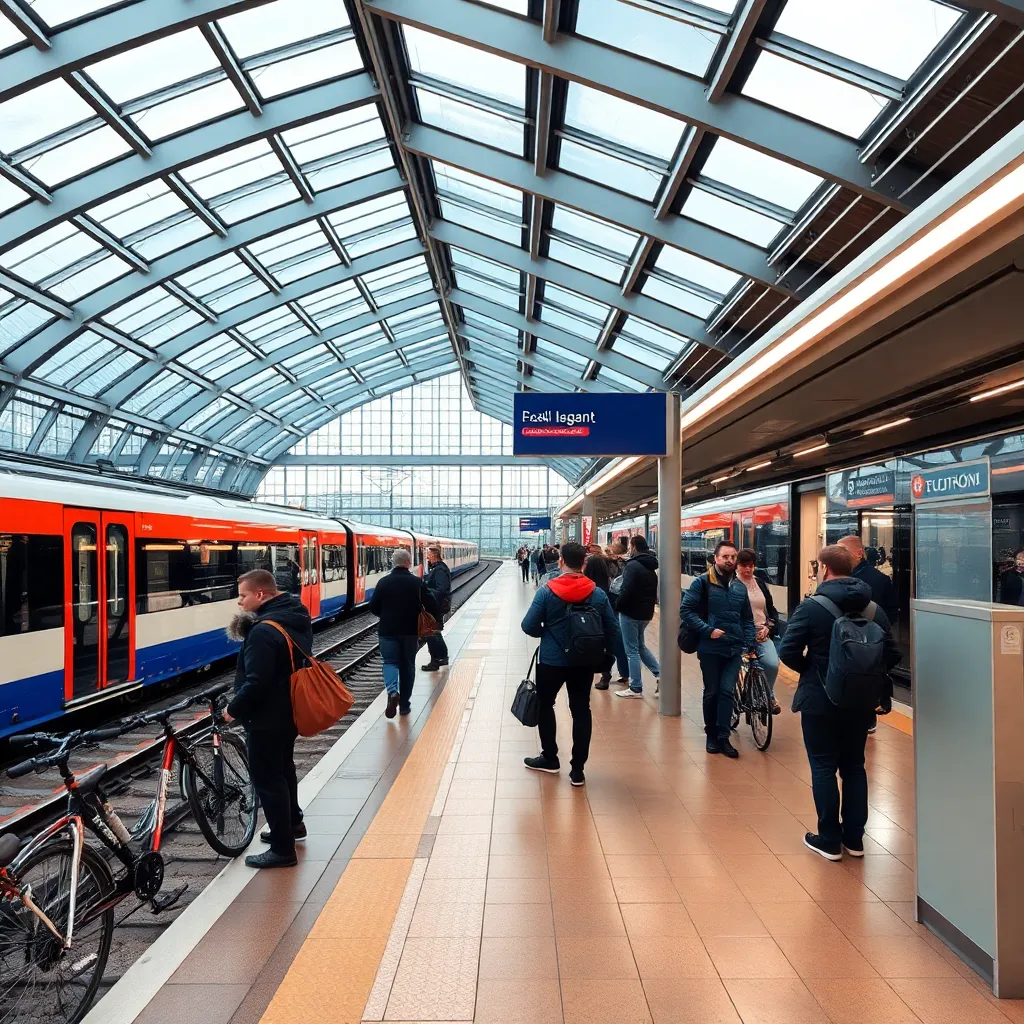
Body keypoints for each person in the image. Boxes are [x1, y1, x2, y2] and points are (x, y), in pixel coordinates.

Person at [778, 544, 901, 861]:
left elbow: (787, 651)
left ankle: (829, 840)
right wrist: (863, 677)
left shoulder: (811, 607)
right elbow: (893, 654)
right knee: (854, 767)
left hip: (819, 701)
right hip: (860, 703)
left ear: (824, 568)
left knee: (823, 767)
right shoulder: (873, 609)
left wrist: (815, 672)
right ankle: (855, 840)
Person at [224, 569, 312, 869]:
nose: (239, 602)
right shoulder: (294, 616)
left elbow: (257, 681)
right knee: (284, 770)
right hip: (289, 710)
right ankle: (293, 824)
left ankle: (282, 849)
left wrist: (233, 709)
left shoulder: (262, 631)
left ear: (260, 595)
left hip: (267, 716)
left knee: (268, 779)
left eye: (243, 595)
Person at [521, 541, 619, 786]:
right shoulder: (597, 593)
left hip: (551, 661)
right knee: (581, 710)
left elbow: (528, 625)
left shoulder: (546, 591)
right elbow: (612, 629)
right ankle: (577, 770)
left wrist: (545, 632)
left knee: (545, 705)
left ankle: (550, 758)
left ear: (561, 561)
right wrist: (606, 656)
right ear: (584, 563)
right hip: (583, 661)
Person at [679, 540, 756, 758]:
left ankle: (723, 737)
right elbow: (686, 611)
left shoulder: (740, 587)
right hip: (710, 647)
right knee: (712, 691)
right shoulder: (701, 583)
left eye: (733, 557)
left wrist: (750, 642)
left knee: (726, 691)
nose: (730, 560)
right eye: (725, 557)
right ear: (716, 559)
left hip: (734, 647)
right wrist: (708, 630)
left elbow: (747, 618)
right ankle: (711, 734)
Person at [837, 535, 898, 735]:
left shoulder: (875, 580)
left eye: (843, 552)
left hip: (862, 640)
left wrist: (877, 629)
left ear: (859, 554)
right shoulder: (844, 576)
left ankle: (866, 714)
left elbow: (890, 609)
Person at [369, 549, 440, 719]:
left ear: (393, 563)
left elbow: (373, 607)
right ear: (408, 563)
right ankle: (405, 706)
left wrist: (386, 614)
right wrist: (434, 618)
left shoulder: (383, 582)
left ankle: (393, 692)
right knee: (407, 665)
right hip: (410, 631)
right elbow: (432, 603)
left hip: (387, 631)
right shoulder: (416, 582)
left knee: (390, 662)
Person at [735, 549, 782, 715]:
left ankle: (768, 695)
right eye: (743, 565)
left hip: (762, 634)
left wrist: (769, 626)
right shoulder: (731, 584)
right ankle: (741, 698)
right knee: (740, 669)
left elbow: (771, 609)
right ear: (737, 566)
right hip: (740, 635)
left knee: (772, 664)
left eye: (751, 565)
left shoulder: (760, 583)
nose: (748, 569)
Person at [614, 535, 661, 699]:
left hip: (630, 612)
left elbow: (626, 589)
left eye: (630, 546)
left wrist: (617, 605)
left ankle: (635, 687)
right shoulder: (650, 565)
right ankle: (660, 675)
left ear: (634, 547)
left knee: (631, 650)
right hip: (645, 613)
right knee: (640, 646)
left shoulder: (632, 566)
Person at [421, 544, 451, 672]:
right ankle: (442, 657)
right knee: (435, 631)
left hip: (436, 605)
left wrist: (426, 592)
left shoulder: (439, 571)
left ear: (434, 554)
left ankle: (435, 661)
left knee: (431, 632)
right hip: (436, 605)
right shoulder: (438, 568)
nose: (426, 557)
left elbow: (441, 590)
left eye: (428, 554)